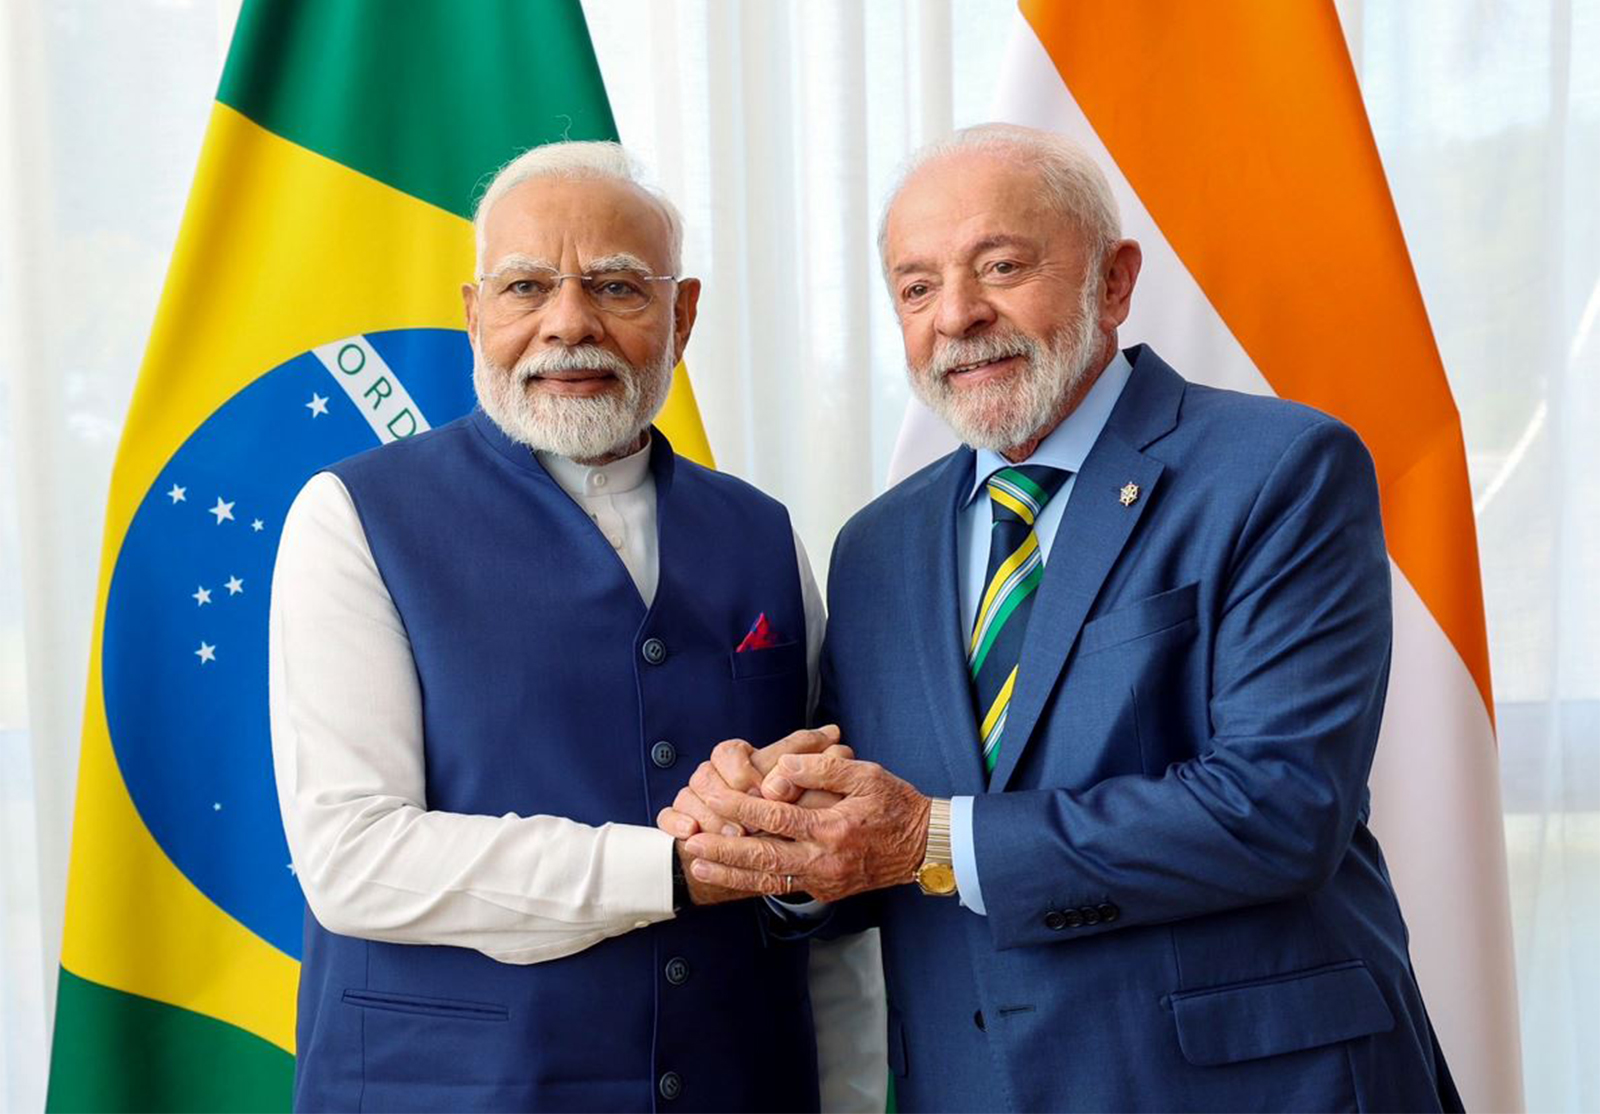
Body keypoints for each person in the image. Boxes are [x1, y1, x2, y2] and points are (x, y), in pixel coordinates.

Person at [663, 124, 1462, 1112]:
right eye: (915, 288)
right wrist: (779, 835)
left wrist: (932, 839)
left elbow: (1281, 808)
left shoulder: (1279, 470)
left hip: (1253, 1087)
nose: (956, 315)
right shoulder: (876, 547)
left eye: (1000, 266)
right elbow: (872, 846)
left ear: (1114, 283)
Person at [268, 141, 882, 1113]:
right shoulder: (351, 518)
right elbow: (353, 858)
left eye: (615, 287)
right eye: (524, 287)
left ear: (680, 316)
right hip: (454, 1089)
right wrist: (665, 871)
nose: (568, 324)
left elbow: (822, 878)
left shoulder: (763, 532)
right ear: (475, 315)